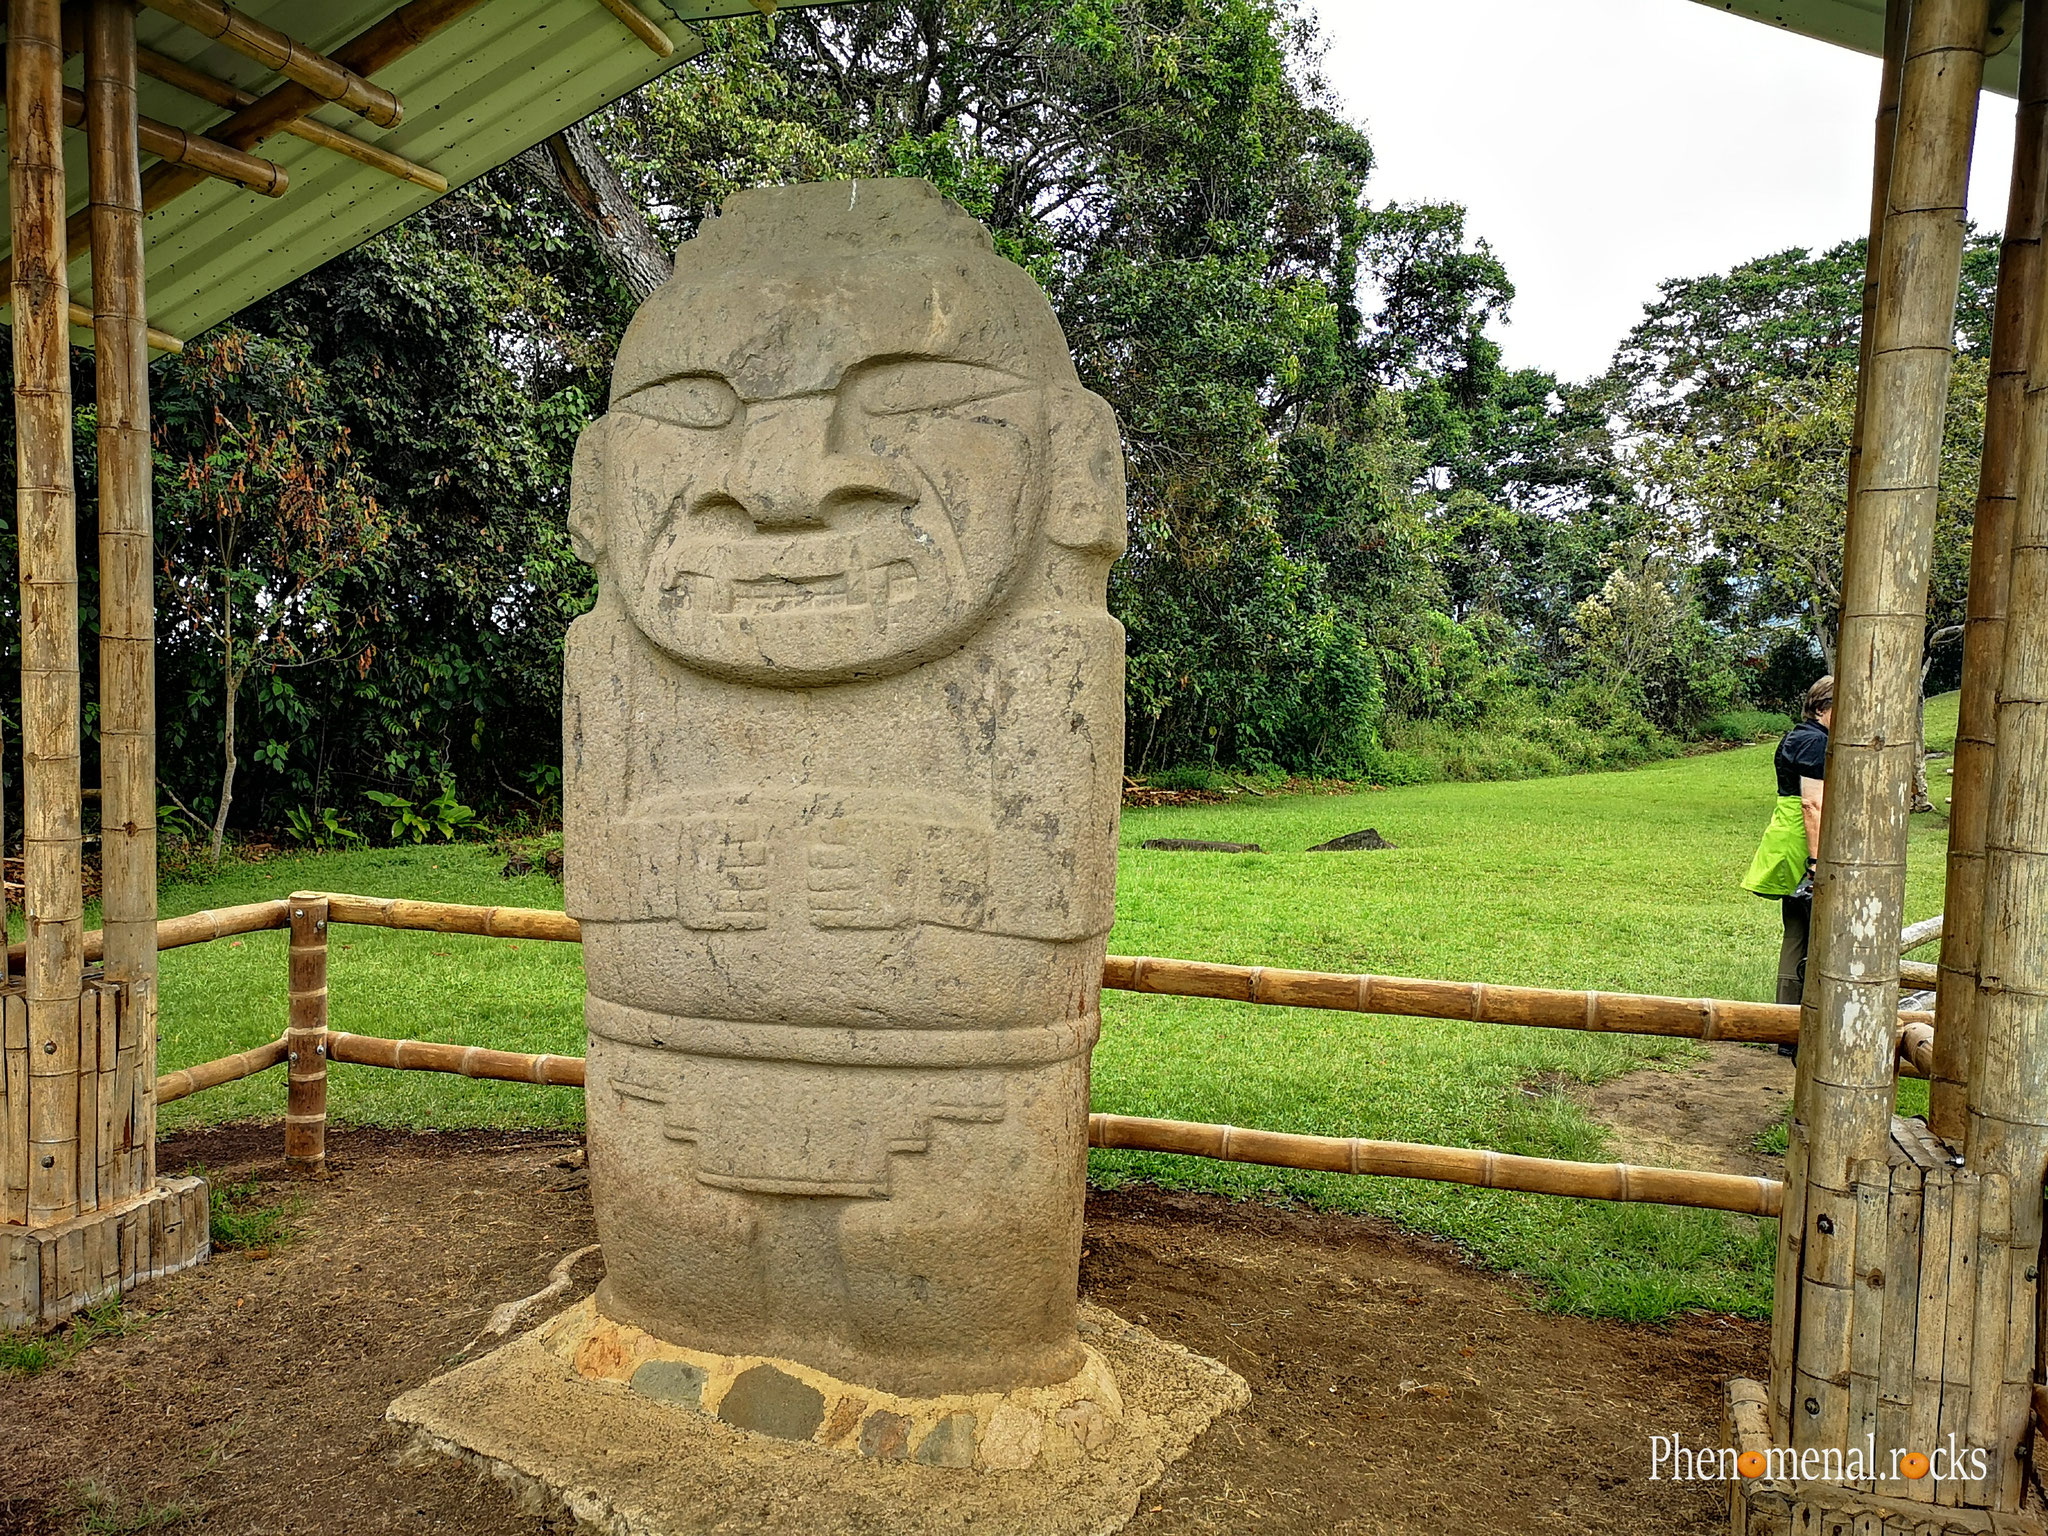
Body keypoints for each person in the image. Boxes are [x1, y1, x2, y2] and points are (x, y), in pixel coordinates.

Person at [1743, 675, 1834, 1055]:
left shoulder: (1795, 735)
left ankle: (1786, 1028)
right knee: (1814, 933)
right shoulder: (1817, 742)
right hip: (1802, 841)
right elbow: (1811, 804)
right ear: (1825, 707)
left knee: (1796, 932)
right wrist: (1816, 861)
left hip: (1785, 833)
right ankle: (1797, 1027)